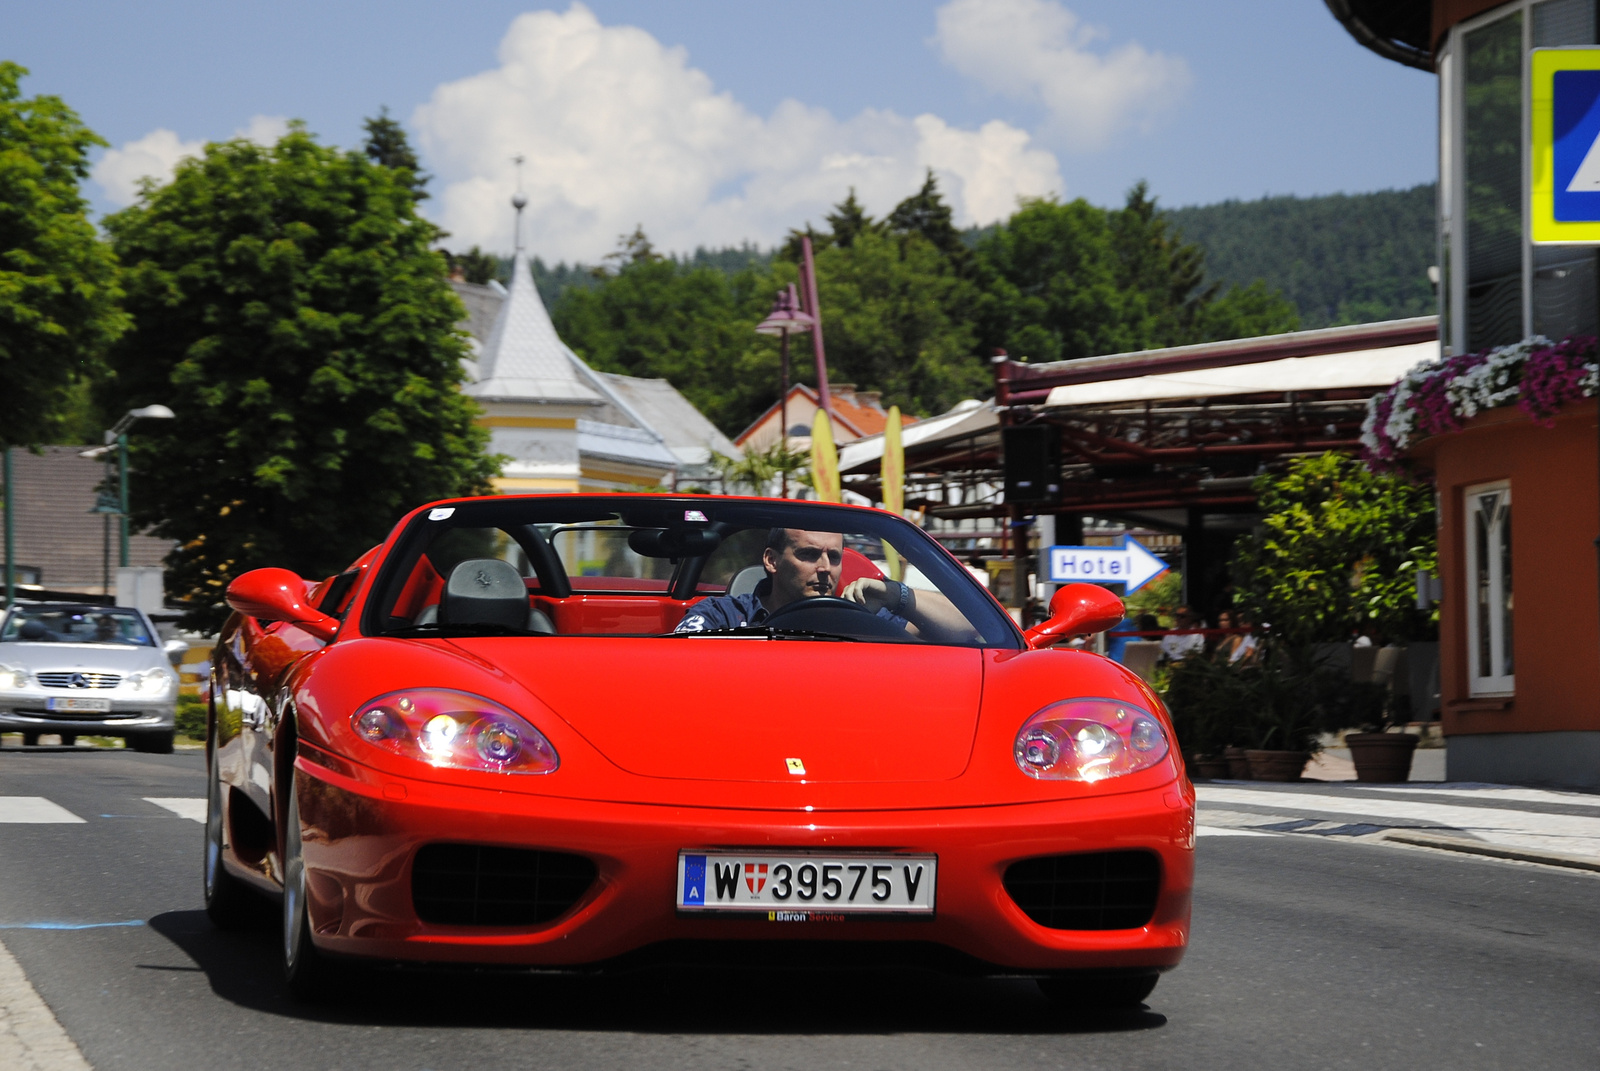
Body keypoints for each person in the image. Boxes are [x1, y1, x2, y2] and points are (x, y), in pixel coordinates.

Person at [675, 528, 973, 641]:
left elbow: (972, 628)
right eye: (808, 554)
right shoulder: (723, 616)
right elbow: (677, 665)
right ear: (771, 561)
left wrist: (895, 594)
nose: (824, 568)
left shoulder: (865, 619)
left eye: (833, 556)